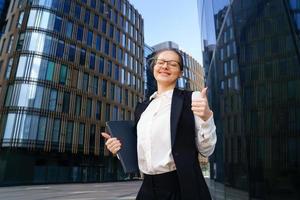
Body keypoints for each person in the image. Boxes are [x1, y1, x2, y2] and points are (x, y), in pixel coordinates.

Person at [101, 48, 217, 200]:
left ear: (181, 72)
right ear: (153, 68)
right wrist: (119, 150)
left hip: (182, 186)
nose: (165, 66)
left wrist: (206, 118)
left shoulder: (192, 99)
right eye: (160, 62)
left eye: (173, 64)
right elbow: (142, 151)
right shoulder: (142, 108)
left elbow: (207, 150)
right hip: (147, 187)